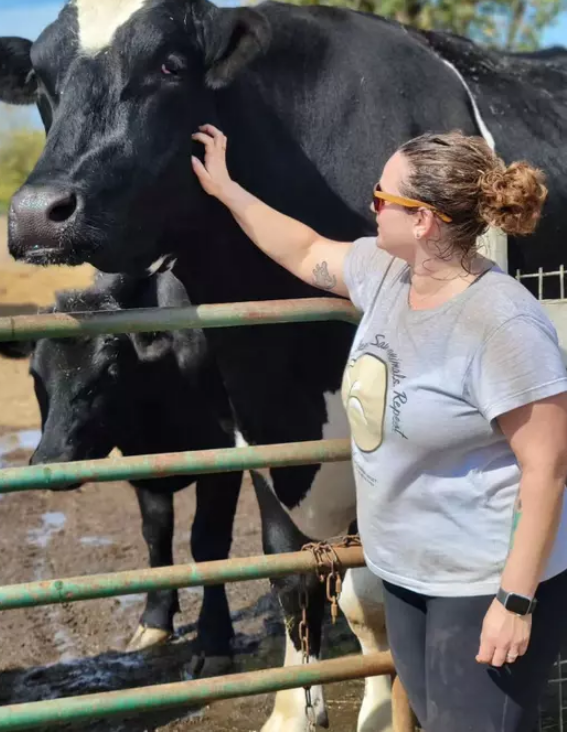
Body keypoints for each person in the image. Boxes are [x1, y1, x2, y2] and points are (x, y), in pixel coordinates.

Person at [190, 123, 567, 732]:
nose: (370, 204)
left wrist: (515, 600)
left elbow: (547, 467)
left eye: (381, 195)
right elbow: (303, 247)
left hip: (480, 582)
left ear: (424, 222)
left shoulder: (503, 325)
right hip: (407, 572)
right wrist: (228, 190)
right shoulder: (387, 275)